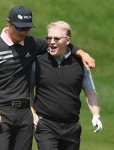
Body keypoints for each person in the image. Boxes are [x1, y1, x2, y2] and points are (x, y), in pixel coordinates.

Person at [0, 6, 95, 150]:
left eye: (27, 28)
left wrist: (82, 53)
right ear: (8, 23)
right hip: (0, 111)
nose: (23, 32)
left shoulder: (31, 43)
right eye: (19, 28)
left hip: (25, 114)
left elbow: (60, 43)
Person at [31, 21, 102, 150]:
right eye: (49, 38)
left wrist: (96, 115)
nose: (51, 42)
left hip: (72, 127)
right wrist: (32, 113)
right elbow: (27, 91)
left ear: (67, 40)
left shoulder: (81, 64)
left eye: (56, 38)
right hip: (46, 125)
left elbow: (90, 92)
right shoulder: (39, 62)